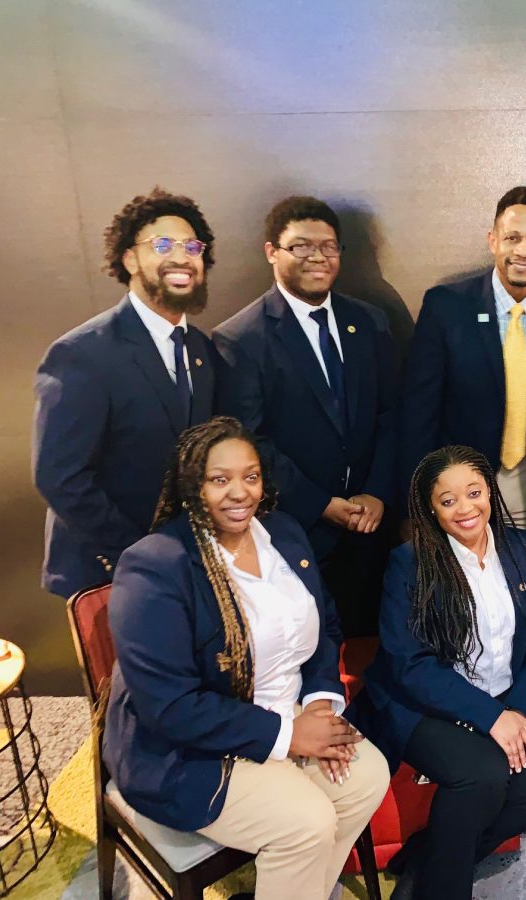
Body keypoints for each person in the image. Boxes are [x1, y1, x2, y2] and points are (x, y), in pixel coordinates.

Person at [104, 417, 389, 900]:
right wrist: (289, 735)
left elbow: (324, 627)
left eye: (251, 476)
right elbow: (169, 707)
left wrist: (321, 701)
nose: (240, 492)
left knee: (368, 777)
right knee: (307, 823)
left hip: (290, 710)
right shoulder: (156, 566)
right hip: (189, 751)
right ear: (193, 486)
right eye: (220, 479)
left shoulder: (283, 532)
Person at [349, 445, 526, 900]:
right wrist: (491, 719)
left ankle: (427, 861)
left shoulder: (523, 546)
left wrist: (521, 711)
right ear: (431, 506)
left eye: (474, 493)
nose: (465, 508)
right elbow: (410, 665)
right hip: (424, 703)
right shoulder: (410, 563)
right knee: (481, 775)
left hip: (508, 698)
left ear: (490, 490)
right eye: (448, 501)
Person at [214, 196, 399, 637]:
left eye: (329, 246)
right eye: (301, 246)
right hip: (295, 529)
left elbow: (392, 415)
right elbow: (249, 443)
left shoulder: (370, 322)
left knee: (372, 648)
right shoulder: (241, 339)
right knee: (307, 650)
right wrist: (319, 504)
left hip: (370, 525)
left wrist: (376, 492)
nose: (318, 257)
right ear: (271, 252)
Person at [33, 188, 218, 599]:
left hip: (181, 564)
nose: (182, 257)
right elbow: (60, 477)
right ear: (129, 258)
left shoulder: (201, 350)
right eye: (163, 244)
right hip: (106, 570)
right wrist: (135, 553)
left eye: (192, 246)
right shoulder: (82, 353)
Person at [398, 186, 526, 560]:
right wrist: (414, 507)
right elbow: (418, 415)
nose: (523, 251)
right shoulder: (446, 308)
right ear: (492, 241)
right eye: (512, 238)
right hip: (457, 493)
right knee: (461, 604)